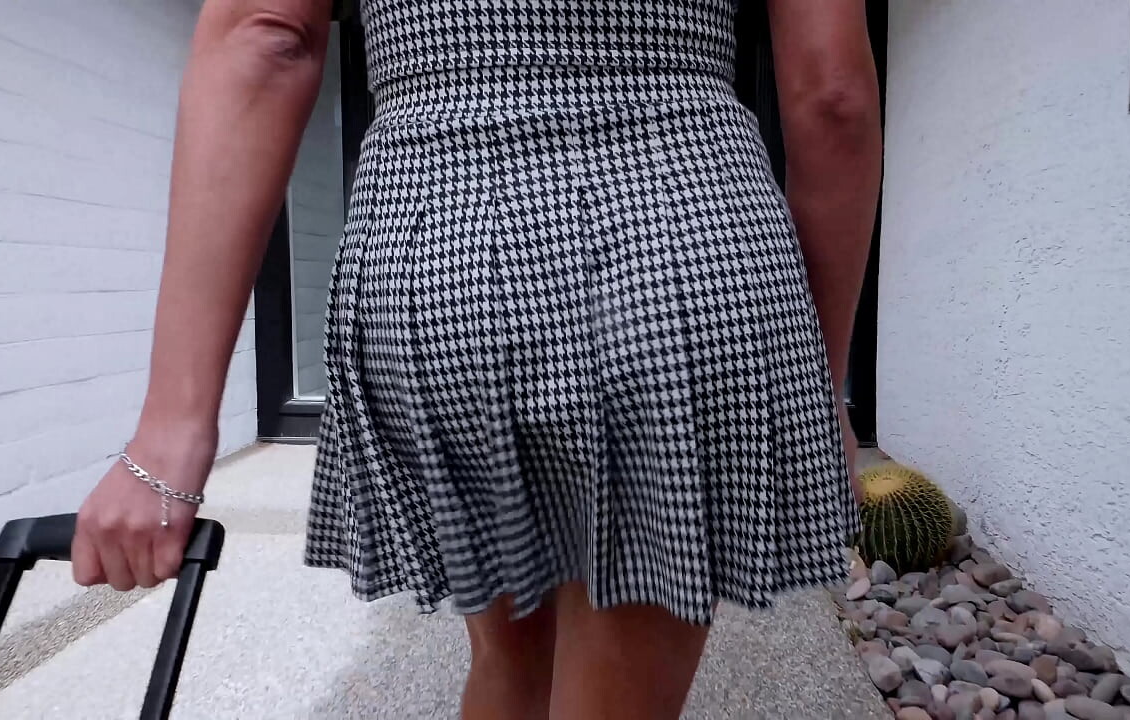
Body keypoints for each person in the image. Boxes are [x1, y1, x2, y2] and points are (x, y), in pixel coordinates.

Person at [69, 0, 881, 717]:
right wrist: (817, 386)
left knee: (511, 659)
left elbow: (264, 34)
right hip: (684, 233)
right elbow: (832, 96)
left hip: (437, 239)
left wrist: (172, 427)